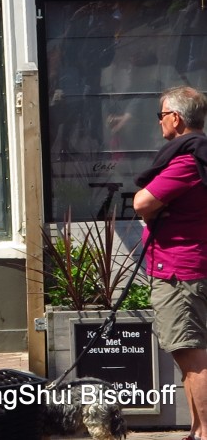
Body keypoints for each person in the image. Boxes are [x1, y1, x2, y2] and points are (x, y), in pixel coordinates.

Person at [134, 85, 207, 440]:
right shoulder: (199, 157)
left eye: (161, 115)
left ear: (175, 118)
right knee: (187, 356)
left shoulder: (187, 162)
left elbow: (141, 203)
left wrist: (150, 204)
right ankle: (196, 429)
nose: (159, 122)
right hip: (188, 268)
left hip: (180, 273)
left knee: (193, 359)